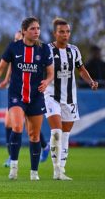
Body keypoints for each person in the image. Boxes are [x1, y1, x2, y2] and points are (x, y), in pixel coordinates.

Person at [0, 17, 54, 180]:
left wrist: (47, 81)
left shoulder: (43, 49)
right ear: (24, 31)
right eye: (33, 29)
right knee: (17, 127)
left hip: (36, 96)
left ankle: (34, 173)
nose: (37, 32)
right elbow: (0, 69)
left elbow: (50, 73)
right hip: (16, 95)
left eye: (38, 28)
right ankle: (14, 166)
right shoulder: (14, 47)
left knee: (34, 135)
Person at [45, 18, 99, 180]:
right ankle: (56, 170)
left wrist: (90, 81)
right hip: (51, 95)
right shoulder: (47, 50)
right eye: (62, 31)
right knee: (56, 132)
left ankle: (61, 169)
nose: (65, 34)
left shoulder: (74, 50)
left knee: (66, 135)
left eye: (67, 31)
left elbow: (81, 69)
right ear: (55, 33)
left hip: (69, 98)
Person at [0, 31, 50, 167]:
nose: (16, 41)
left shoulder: (34, 51)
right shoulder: (15, 51)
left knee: (29, 128)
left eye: (18, 39)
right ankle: (11, 156)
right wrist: (5, 80)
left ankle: (44, 146)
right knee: (9, 123)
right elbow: (11, 66)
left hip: (29, 94)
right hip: (16, 93)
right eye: (14, 39)